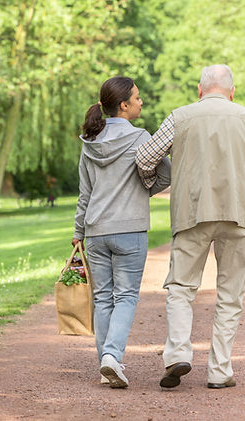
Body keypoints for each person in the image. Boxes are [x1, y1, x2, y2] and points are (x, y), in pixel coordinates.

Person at [135, 64, 245, 389]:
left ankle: (177, 354)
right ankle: (219, 371)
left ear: (199, 91)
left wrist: (155, 183)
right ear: (232, 91)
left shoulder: (180, 116)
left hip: (192, 212)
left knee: (181, 288)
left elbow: (145, 159)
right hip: (238, 214)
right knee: (230, 295)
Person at [72, 76, 171, 388]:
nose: (141, 102)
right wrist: (144, 189)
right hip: (130, 230)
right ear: (124, 105)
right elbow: (166, 173)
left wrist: (78, 231)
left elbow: (84, 193)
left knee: (103, 299)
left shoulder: (89, 142)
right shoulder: (141, 138)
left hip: (96, 231)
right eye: (137, 98)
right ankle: (112, 357)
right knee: (126, 296)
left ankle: (106, 361)